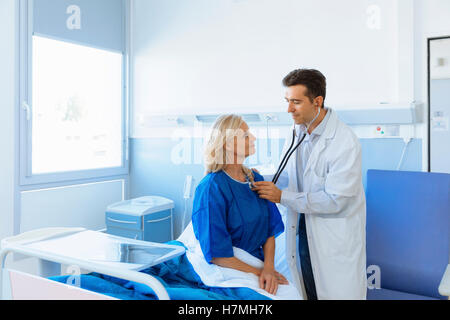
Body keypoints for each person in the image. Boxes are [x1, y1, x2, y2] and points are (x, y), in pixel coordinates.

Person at [252, 69, 367, 300]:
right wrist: (261, 178)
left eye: (296, 102)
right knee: (308, 290)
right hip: (303, 228)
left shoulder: (344, 141)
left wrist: (282, 197)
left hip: (333, 236)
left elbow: (337, 200)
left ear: (317, 102)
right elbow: (288, 175)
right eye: (287, 101)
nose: (288, 109)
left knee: (335, 292)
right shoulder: (297, 131)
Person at [191, 114, 289, 295]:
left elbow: (269, 231)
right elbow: (218, 255)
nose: (253, 138)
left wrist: (268, 267)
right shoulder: (211, 188)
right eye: (245, 135)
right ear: (227, 144)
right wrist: (261, 272)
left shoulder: (254, 179)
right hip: (226, 266)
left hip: (256, 263)